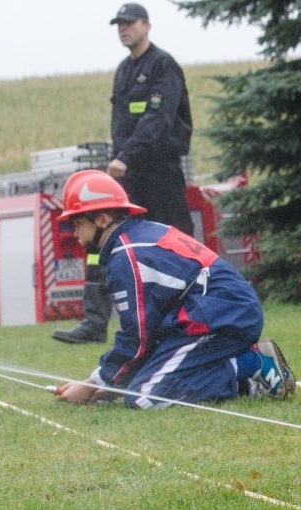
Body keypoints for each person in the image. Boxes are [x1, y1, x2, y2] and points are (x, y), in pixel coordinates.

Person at [54, 170, 295, 408]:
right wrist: (107, 383)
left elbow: (137, 338)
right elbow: (149, 329)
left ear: (102, 219)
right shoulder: (137, 237)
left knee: (144, 398)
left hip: (220, 316)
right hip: (216, 311)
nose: (74, 233)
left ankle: (251, 363)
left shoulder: (125, 256)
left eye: (77, 223)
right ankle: (244, 375)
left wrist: (94, 383)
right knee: (136, 386)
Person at [52, 3, 195, 344]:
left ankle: (194, 312)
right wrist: (120, 160)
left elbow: (157, 122)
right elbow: (123, 123)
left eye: (130, 23)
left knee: (174, 242)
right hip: (126, 174)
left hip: (159, 173)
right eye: (119, 24)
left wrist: (126, 157)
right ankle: (93, 323)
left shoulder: (163, 65)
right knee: (99, 240)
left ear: (147, 25)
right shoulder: (123, 69)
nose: (123, 28)